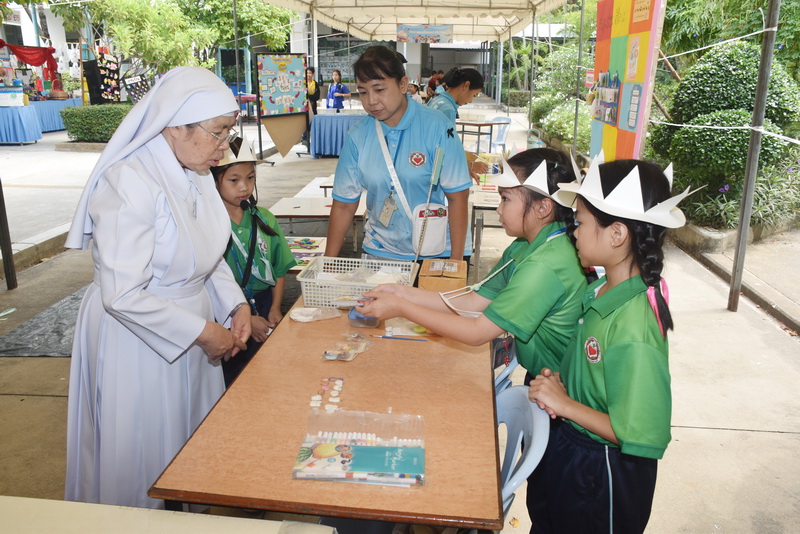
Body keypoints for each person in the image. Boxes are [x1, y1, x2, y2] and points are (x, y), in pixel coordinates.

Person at [64, 66, 252, 509]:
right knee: (142, 448)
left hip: (194, 324)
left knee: (189, 440)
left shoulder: (196, 170)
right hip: (137, 334)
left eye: (229, 132)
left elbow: (206, 252)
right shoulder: (129, 180)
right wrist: (203, 332)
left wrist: (235, 305)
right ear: (174, 126)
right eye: (218, 132)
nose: (224, 146)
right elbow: (123, 294)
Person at [526, 155, 696, 533]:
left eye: (580, 222)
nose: (573, 231)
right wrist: (563, 386)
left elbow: (640, 433)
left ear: (616, 234)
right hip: (574, 448)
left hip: (602, 471)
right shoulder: (602, 290)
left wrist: (565, 404)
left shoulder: (634, 326)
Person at [359, 148, 587, 376]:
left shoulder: (543, 265)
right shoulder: (525, 245)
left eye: (506, 199)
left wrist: (401, 308)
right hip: (543, 375)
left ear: (543, 208)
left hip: (558, 383)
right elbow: (472, 302)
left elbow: (477, 332)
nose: (498, 209)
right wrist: (401, 293)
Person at [325, 46, 472, 261]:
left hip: (437, 250)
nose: (371, 101)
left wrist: (455, 261)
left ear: (403, 85)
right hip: (381, 249)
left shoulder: (437, 127)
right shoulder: (358, 136)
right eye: (363, 92)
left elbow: (457, 196)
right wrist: (327, 263)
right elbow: (344, 205)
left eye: (379, 89)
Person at [211, 136, 297, 387]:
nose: (244, 187)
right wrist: (246, 319)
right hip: (224, 311)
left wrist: (275, 308)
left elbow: (279, 269)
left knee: (266, 372)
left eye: (250, 178)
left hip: (264, 302)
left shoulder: (265, 219)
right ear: (214, 181)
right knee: (233, 378)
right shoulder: (209, 224)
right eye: (234, 180)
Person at [427, 67, 487, 183]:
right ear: (466, 85)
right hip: (435, 173)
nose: (471, 101)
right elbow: (447, 150)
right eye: (474, 95)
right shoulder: (447, 109)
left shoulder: (437, 100)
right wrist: (470, 165)